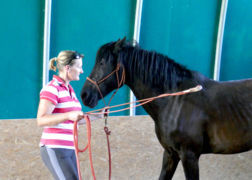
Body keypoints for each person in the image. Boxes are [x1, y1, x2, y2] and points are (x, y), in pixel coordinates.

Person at [37, 50, 102, 180]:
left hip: (69, 148)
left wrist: (98, 116)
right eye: (79, 67)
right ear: (68, 68)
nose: (82, 71)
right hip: (55, 147)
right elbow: (41, 119)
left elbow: (74, 119)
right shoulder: (52, 89)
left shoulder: (70, 90)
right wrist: (68, 115)